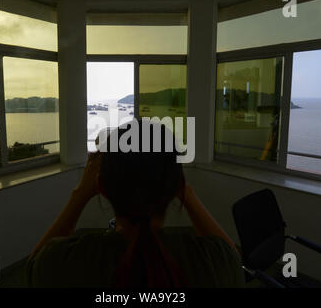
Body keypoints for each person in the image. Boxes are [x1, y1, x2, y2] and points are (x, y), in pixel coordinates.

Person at [26, 120, 244, 288]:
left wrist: (79, 195)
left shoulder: (67, 264)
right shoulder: (212, 263)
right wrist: (186, 191)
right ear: (175, 185)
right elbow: (233, 258)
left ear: (101, 186)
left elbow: (33, 267)